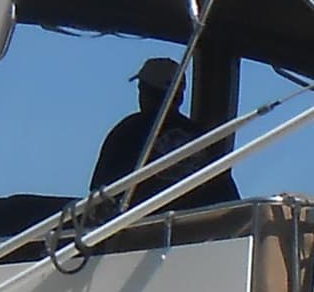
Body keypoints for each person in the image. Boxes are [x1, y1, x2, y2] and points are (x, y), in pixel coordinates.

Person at [91, 55, 234, 204]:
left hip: (139, 224)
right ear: (180, 97)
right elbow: (227, 198)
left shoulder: (127, 132)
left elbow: (100, 195)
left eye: (141, 87)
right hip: (200, 226)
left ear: (145, 92)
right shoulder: (204, 139)